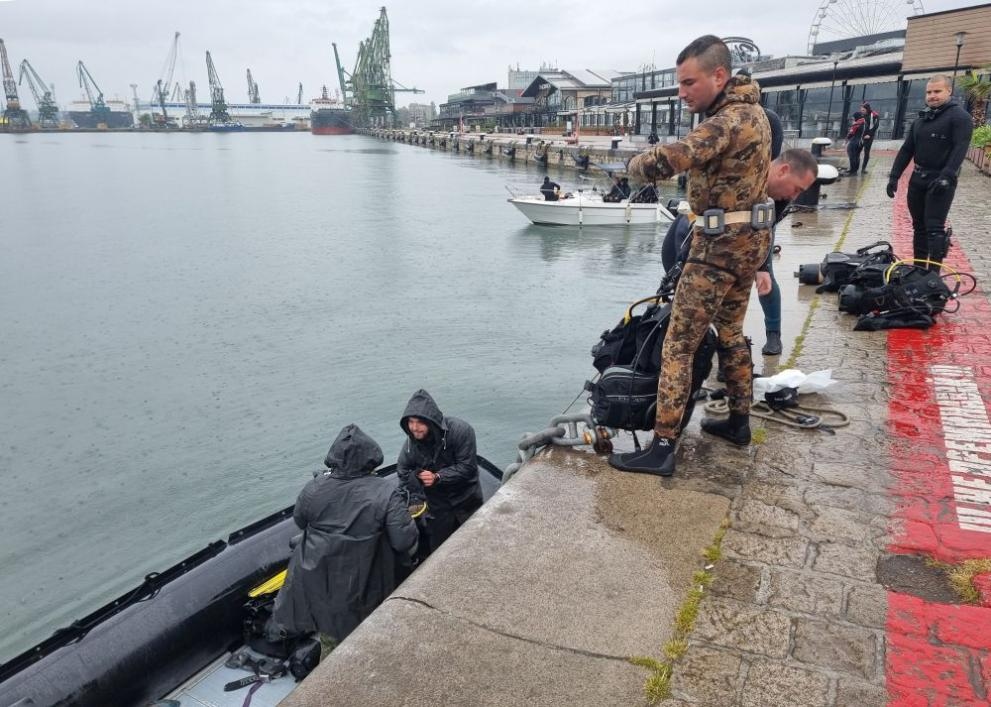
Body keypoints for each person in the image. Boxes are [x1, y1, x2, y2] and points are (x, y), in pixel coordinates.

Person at [609, 35, 773, 477]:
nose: (682, 93)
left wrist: (634, 164)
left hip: (717, 250)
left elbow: (673, 158)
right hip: (749, 243)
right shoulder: (756, 112)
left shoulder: (725, 121)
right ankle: (739, 422)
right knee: (732, 334)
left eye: (688, 83)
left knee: (678, 346)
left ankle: (662, 446)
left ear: (719, 75)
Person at [661, 149, 819, 355]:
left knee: (762, 277)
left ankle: (772, 335)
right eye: (796, 189)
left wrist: (761, 266)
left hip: (754, 228)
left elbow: (765, 231)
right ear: (783, 170)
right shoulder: (738, 171)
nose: (795, 196)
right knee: (684, 282)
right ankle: (707, 343)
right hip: (697, 227)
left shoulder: (781, 194)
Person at [272, 424, 418, 642]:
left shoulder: (314, 488)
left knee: (329, 638)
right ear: (371, 457)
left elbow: (300, 521)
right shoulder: (385, 491)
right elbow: (403, 541)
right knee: (364, 638)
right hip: (364, 587)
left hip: (318, 582)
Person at [887, 75, 973, 271]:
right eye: (929, 92)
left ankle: (932, 275)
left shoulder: (960, 117)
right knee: (919, 228)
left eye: (937, 91)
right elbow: (907, 149)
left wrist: (947, 176)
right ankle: (919, 270)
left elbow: (960, 149)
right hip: (917, 180)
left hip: (940, 181)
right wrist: (894, 176)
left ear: (949, 91)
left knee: (934, 229)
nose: (932, 96)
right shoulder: (922, 119)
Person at [397, 389, 482, 554]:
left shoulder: (461, 431)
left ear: (431, 421)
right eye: (411, 422)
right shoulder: (410, 445)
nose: (414, 428)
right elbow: (403, 471)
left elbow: (468, 467)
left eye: (420, 422)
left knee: (474, 544)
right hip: (437, 507)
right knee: (440, 551)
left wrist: (438, 477)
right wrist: (416, 477)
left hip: (467, 500)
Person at [859, 102, 880, 174]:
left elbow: (876, 126)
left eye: (863, 110)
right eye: (861, 110)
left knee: (866, 152)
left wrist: (869, 135)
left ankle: (863, 169)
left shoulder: (874, 115)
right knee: (857, 150)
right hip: (861, 136)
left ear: (867, 109)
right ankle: (855, 167)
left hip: (869, 136)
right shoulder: (862, 115)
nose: (862, 112)